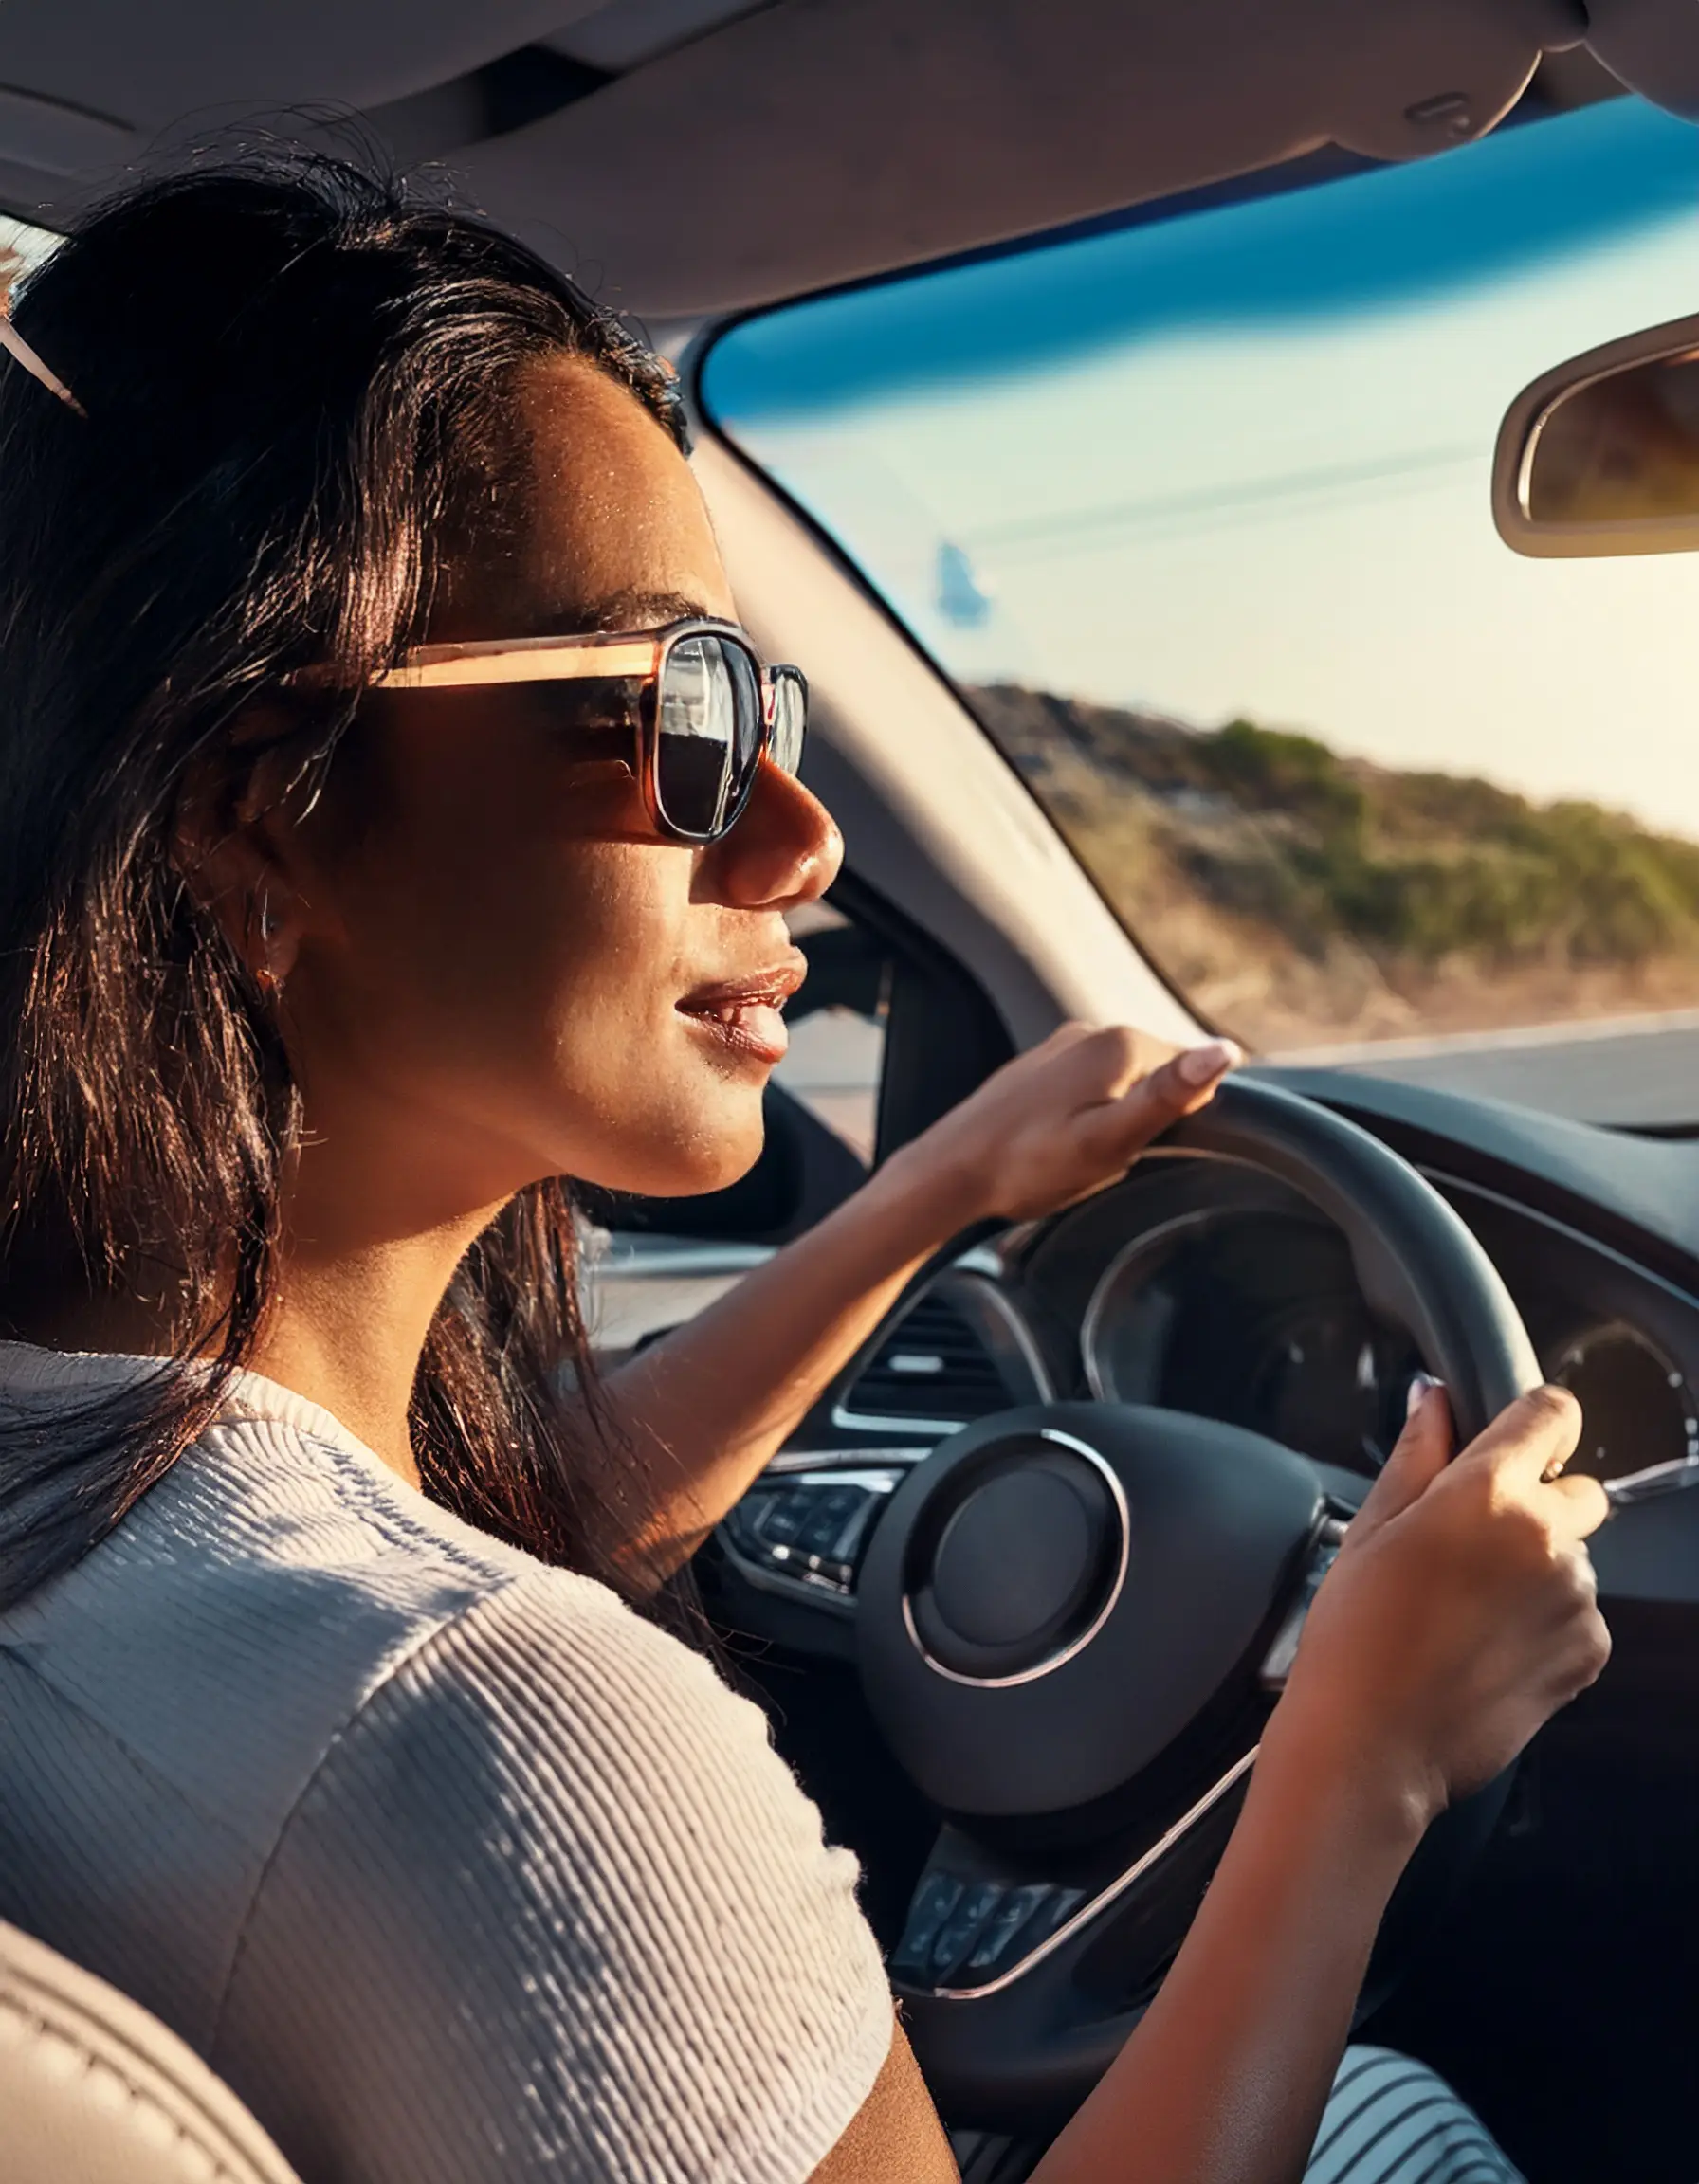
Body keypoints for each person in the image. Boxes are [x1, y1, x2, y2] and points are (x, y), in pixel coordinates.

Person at [0, 155, 1608, 2184]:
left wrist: (935, 1187)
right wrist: (1359, 1758)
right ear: (256, 822)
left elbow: (507, 1518)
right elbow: (455, 1642)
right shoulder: (497, 1740)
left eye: (767, 706)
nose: (799, 835)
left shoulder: (120, 1529)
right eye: (675, 709)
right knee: (1394, 2114)